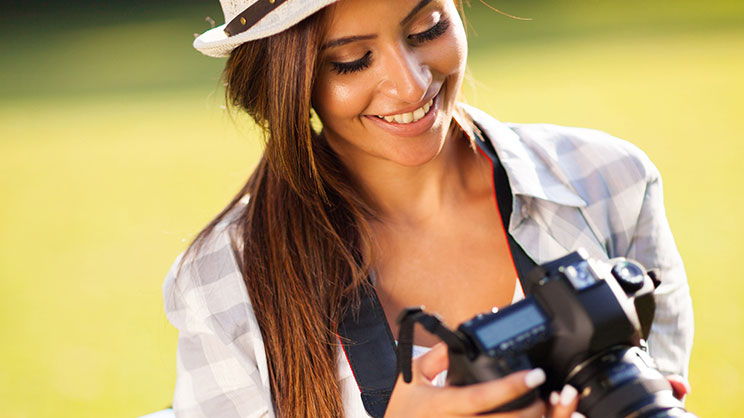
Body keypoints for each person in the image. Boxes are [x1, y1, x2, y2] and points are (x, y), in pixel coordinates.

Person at [163, 0, 694, 417]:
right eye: (351, 61)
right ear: (288, 81)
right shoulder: (225, 280)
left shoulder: (609, 182)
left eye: (427, 29)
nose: (411, 84)